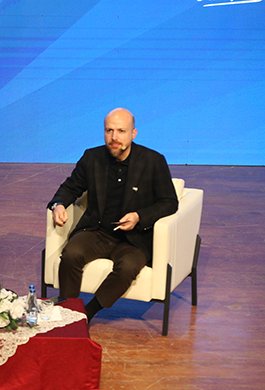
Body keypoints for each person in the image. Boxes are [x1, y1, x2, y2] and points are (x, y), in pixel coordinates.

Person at [47, 108, 178, 322]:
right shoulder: (92, 157)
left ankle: (87, 312)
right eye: (109, 131)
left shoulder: (153, 161)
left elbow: (169, 202)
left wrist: (139, 216)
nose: (114, 137)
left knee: (128, 266)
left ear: (133, 134)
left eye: (121, 131)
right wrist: (59, 204)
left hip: (134, 238)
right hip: (97, 231)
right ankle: (67, 310)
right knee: (71, 254)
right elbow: (71, 187)